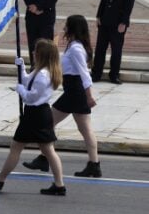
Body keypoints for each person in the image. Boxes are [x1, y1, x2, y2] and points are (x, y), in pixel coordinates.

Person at [23, 15, 101, 177]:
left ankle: (44, 158)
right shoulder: (74, 46)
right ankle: (93, 164)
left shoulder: (76, 49)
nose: (64, 27)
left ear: (73, 28)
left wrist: (89, 95)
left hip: (75, 92)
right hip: (73, 91)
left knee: (48, 122)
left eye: (67, 25)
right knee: (84, 129)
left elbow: (84, 73)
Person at [0, 39, 67, 195]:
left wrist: (20, 90)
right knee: (47, 150)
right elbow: (26, 81)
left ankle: (1, 179)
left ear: (41, 55)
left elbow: (30, 97)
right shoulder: (40, 71)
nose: (33, 53)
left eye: (35, 51)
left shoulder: (43, 75)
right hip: (37, 113)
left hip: (35, 114)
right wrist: (21, 67)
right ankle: (59, 185)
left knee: (17, 147)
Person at [91, 0, 137, 84]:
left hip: (118, 23)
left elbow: (129, 4)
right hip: (105, 20)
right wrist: (99, 16)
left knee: (116, 49)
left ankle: (114, 75)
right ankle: (96, 73)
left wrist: (124, 22)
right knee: (100, 48)